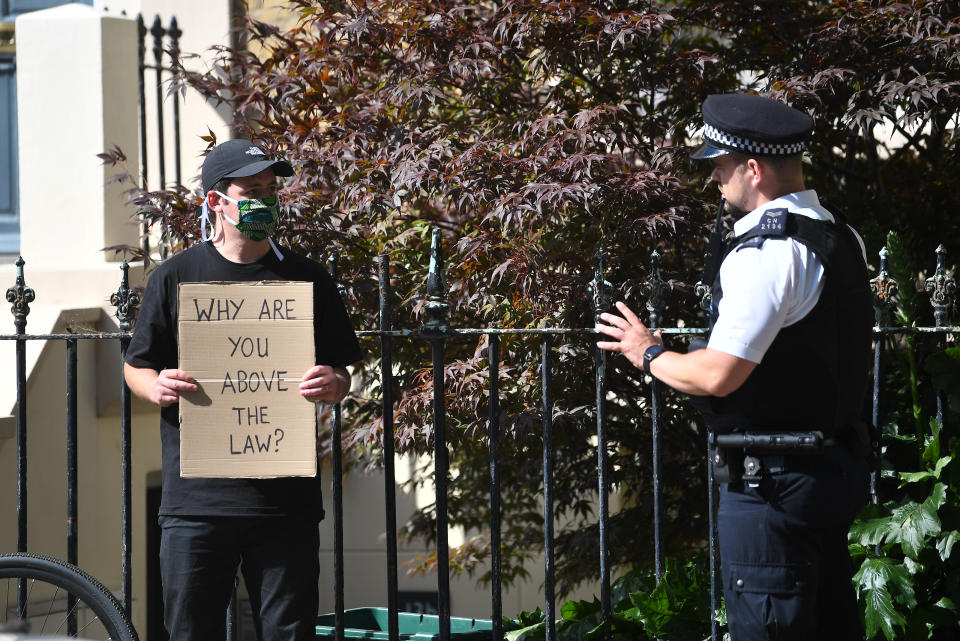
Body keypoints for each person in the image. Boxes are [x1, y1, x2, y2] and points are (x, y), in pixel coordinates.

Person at [596, 94, 873, 640]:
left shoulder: (770, 253)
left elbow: (719, 375)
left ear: (753, 168)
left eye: (720, 166)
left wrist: (647, 352)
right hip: (831, 474)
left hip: (772, 488)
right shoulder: (840, 234)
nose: (716, 180)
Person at [124, 139, 363, 641]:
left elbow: (342, 371)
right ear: (216, 201)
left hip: (284, 507)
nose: (267, 200)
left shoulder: (307, 279)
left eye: (272, 189)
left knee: (288, 633)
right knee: (191, 631)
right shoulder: (176, 277)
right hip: (197, 507)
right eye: (252, 190)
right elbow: (136, 367)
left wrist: (334, 382)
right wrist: (157, 386)